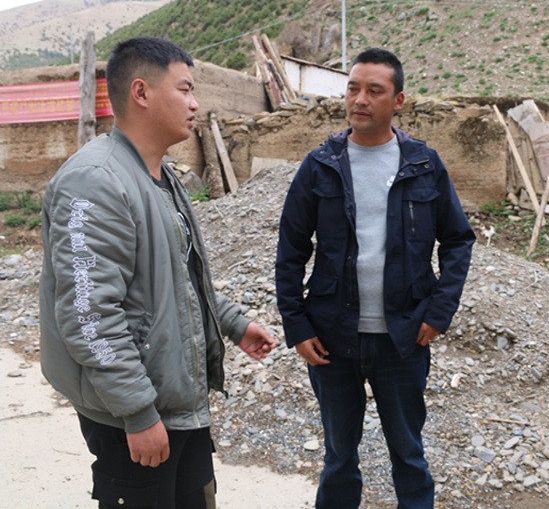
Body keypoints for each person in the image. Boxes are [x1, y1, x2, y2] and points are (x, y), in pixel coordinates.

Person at [39, 36, 276, 509]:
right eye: (185, 89)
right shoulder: (96, 181)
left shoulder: (160, 176)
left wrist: (232, 322)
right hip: (135, 415)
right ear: (142, 93)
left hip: (177, 403)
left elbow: (178, 279)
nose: (195, 103)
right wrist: (138, 412)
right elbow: (89, 315)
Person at [275, 47, 475, 508]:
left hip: (402, 339)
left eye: (374, 90)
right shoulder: (320, 165)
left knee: (409, 454)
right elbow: (290, 250)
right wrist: (297, 326)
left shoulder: (423, 164)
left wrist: (439, 311)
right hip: (332, 339)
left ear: (398, 100)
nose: (360, 99)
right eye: (353, 88)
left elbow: (458, 240)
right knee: (338, 457)